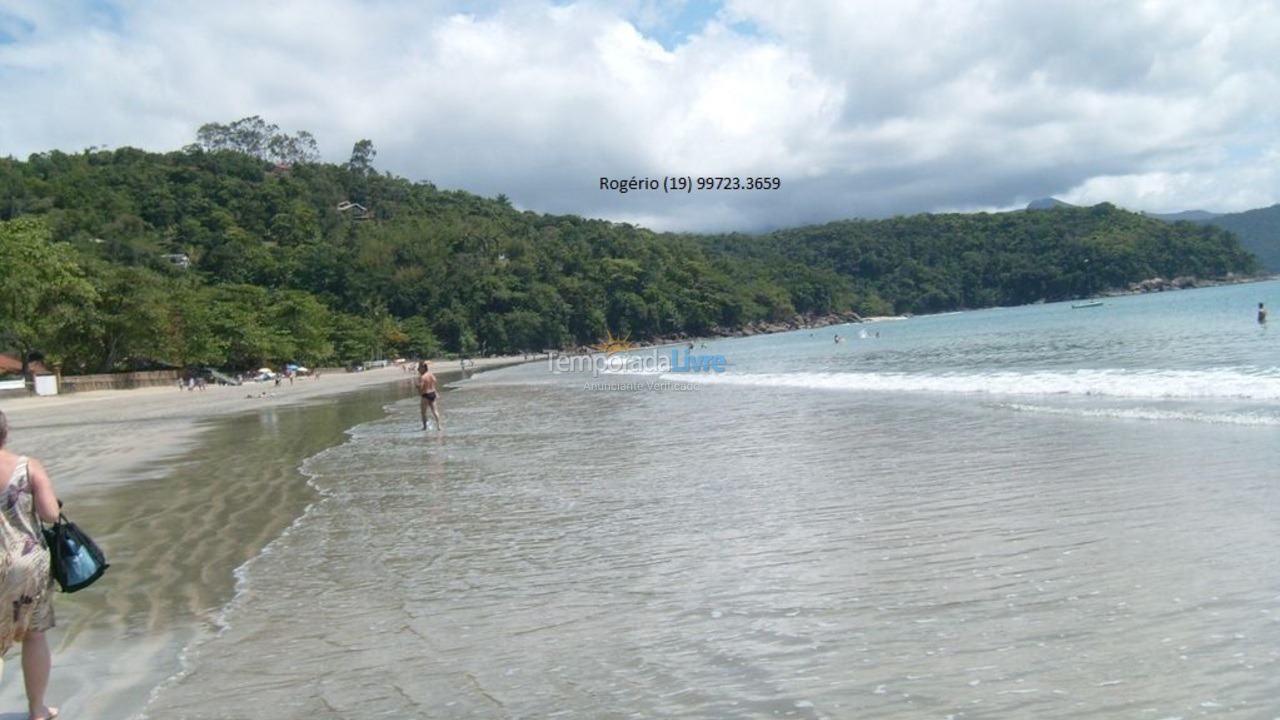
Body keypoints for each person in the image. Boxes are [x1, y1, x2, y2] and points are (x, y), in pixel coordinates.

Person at [0, 410, 60, 720]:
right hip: (29, 562)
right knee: (35, 634)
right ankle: (37, 709)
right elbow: (50, 514)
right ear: (6, 432)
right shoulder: (28, 466)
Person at [418, 362, 442, 431]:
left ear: (423, 368)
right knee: (435, 411)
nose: (419, 369)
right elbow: (434, 381)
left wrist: (418, 387)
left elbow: (421, 386)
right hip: (433, 393)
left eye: (419, 368)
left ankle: (425, 427)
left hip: (425, 394)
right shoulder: (431, 374)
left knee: (423, 412)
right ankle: (439, 425)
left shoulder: (423, 377)